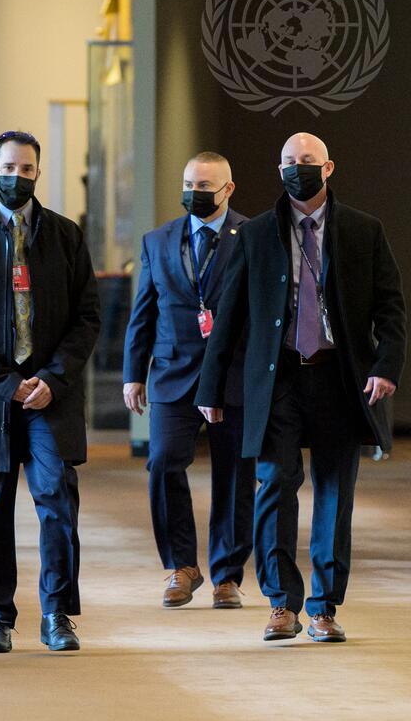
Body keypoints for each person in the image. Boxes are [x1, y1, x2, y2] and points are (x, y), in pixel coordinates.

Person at [197, 132, 405, 643]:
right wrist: (210, 388)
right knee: (274, 484)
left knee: (335, 492)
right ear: (279, 170)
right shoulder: (255, 234)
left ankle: (324, 607)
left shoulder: (363, 230)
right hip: (279, 378)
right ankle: (281, 604)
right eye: (289, 161)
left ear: (328, 168)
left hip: (339, 378)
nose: (297, 168)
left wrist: (386, 367)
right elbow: (229, 316)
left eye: (307, 161)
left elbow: (390, 308)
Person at [0, 130, 100, 654]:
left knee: (57, 499)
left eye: (26, 169)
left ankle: (57, 614)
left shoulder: (66, 237)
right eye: (7, 168)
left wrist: (53, 379)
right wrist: (7, 383)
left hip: (51, 395)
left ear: (37, 173)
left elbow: (87, 317)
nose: (16, 177)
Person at [123, 151, 254, 609]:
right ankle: (182, 566)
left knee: (234, 474)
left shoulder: (252, 236)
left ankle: (227, 575)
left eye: (204, 187)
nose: (193, 193)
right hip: (172, 373)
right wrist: (133, 374)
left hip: (234, 374)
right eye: (188, 185)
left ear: (228, 190)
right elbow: (143, 311)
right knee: (162, 463)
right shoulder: (157, 240)